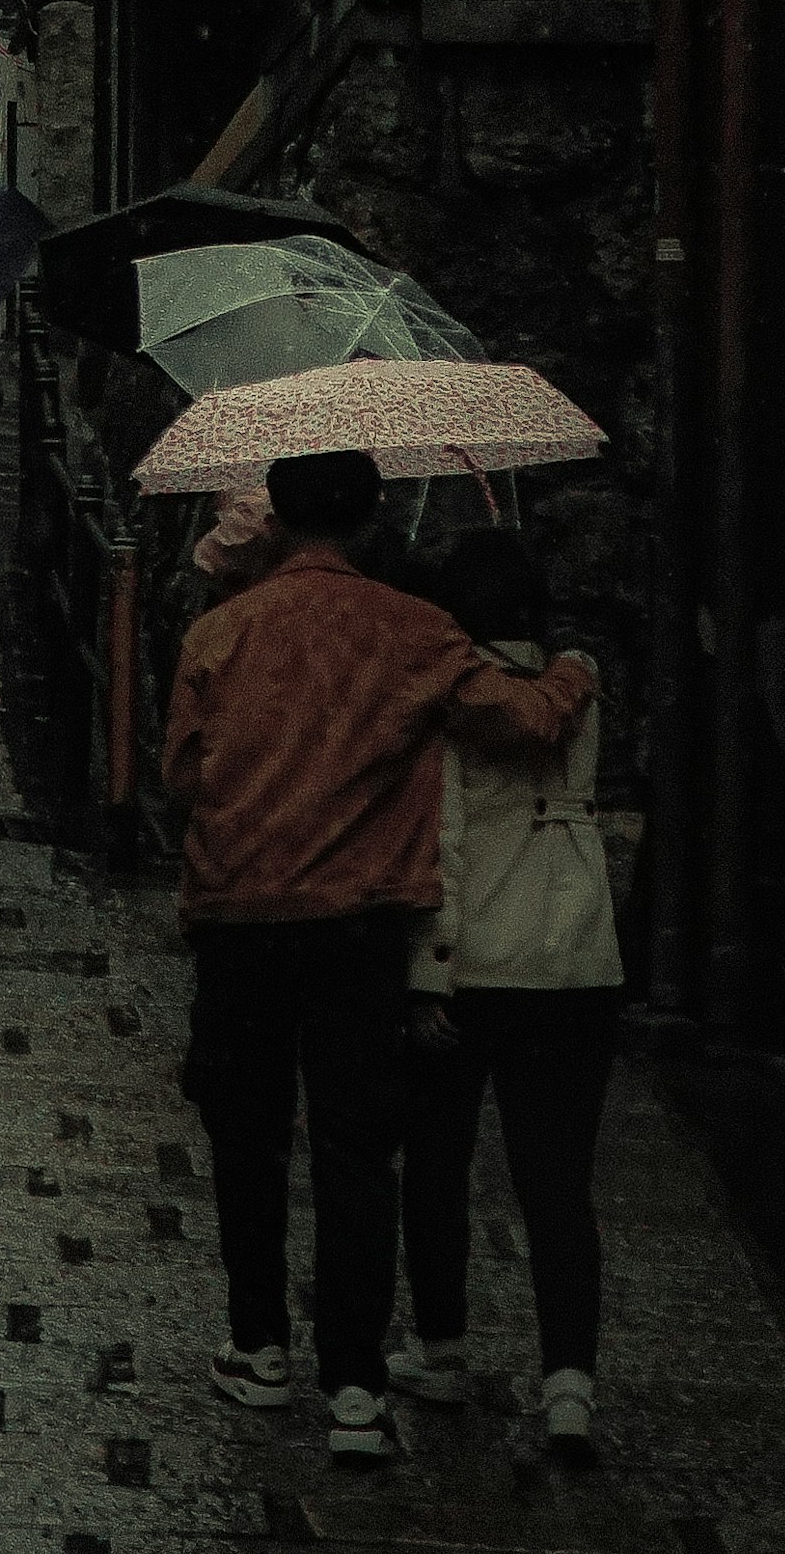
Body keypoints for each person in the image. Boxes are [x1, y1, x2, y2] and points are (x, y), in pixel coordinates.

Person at [159, 450, 594, 1464]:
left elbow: (181, 776)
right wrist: (576, 669)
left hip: (241, 915)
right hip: (356, 927)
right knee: (358, 1151)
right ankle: (354, 1383)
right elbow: (525, 718)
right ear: (372, 519)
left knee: (248, 1136)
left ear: (278, 521)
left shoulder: (221, 632)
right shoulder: (413, 631)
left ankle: (259, 1343)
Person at [392, 529, 624, 1453]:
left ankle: (441, 1346)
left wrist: (425, 974)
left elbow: (444, 840)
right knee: (558, 1181)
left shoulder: (453, 705)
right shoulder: (581, 687)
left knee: (440, 1168)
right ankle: (569, 1382)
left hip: (474, 961)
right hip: (574, 961)